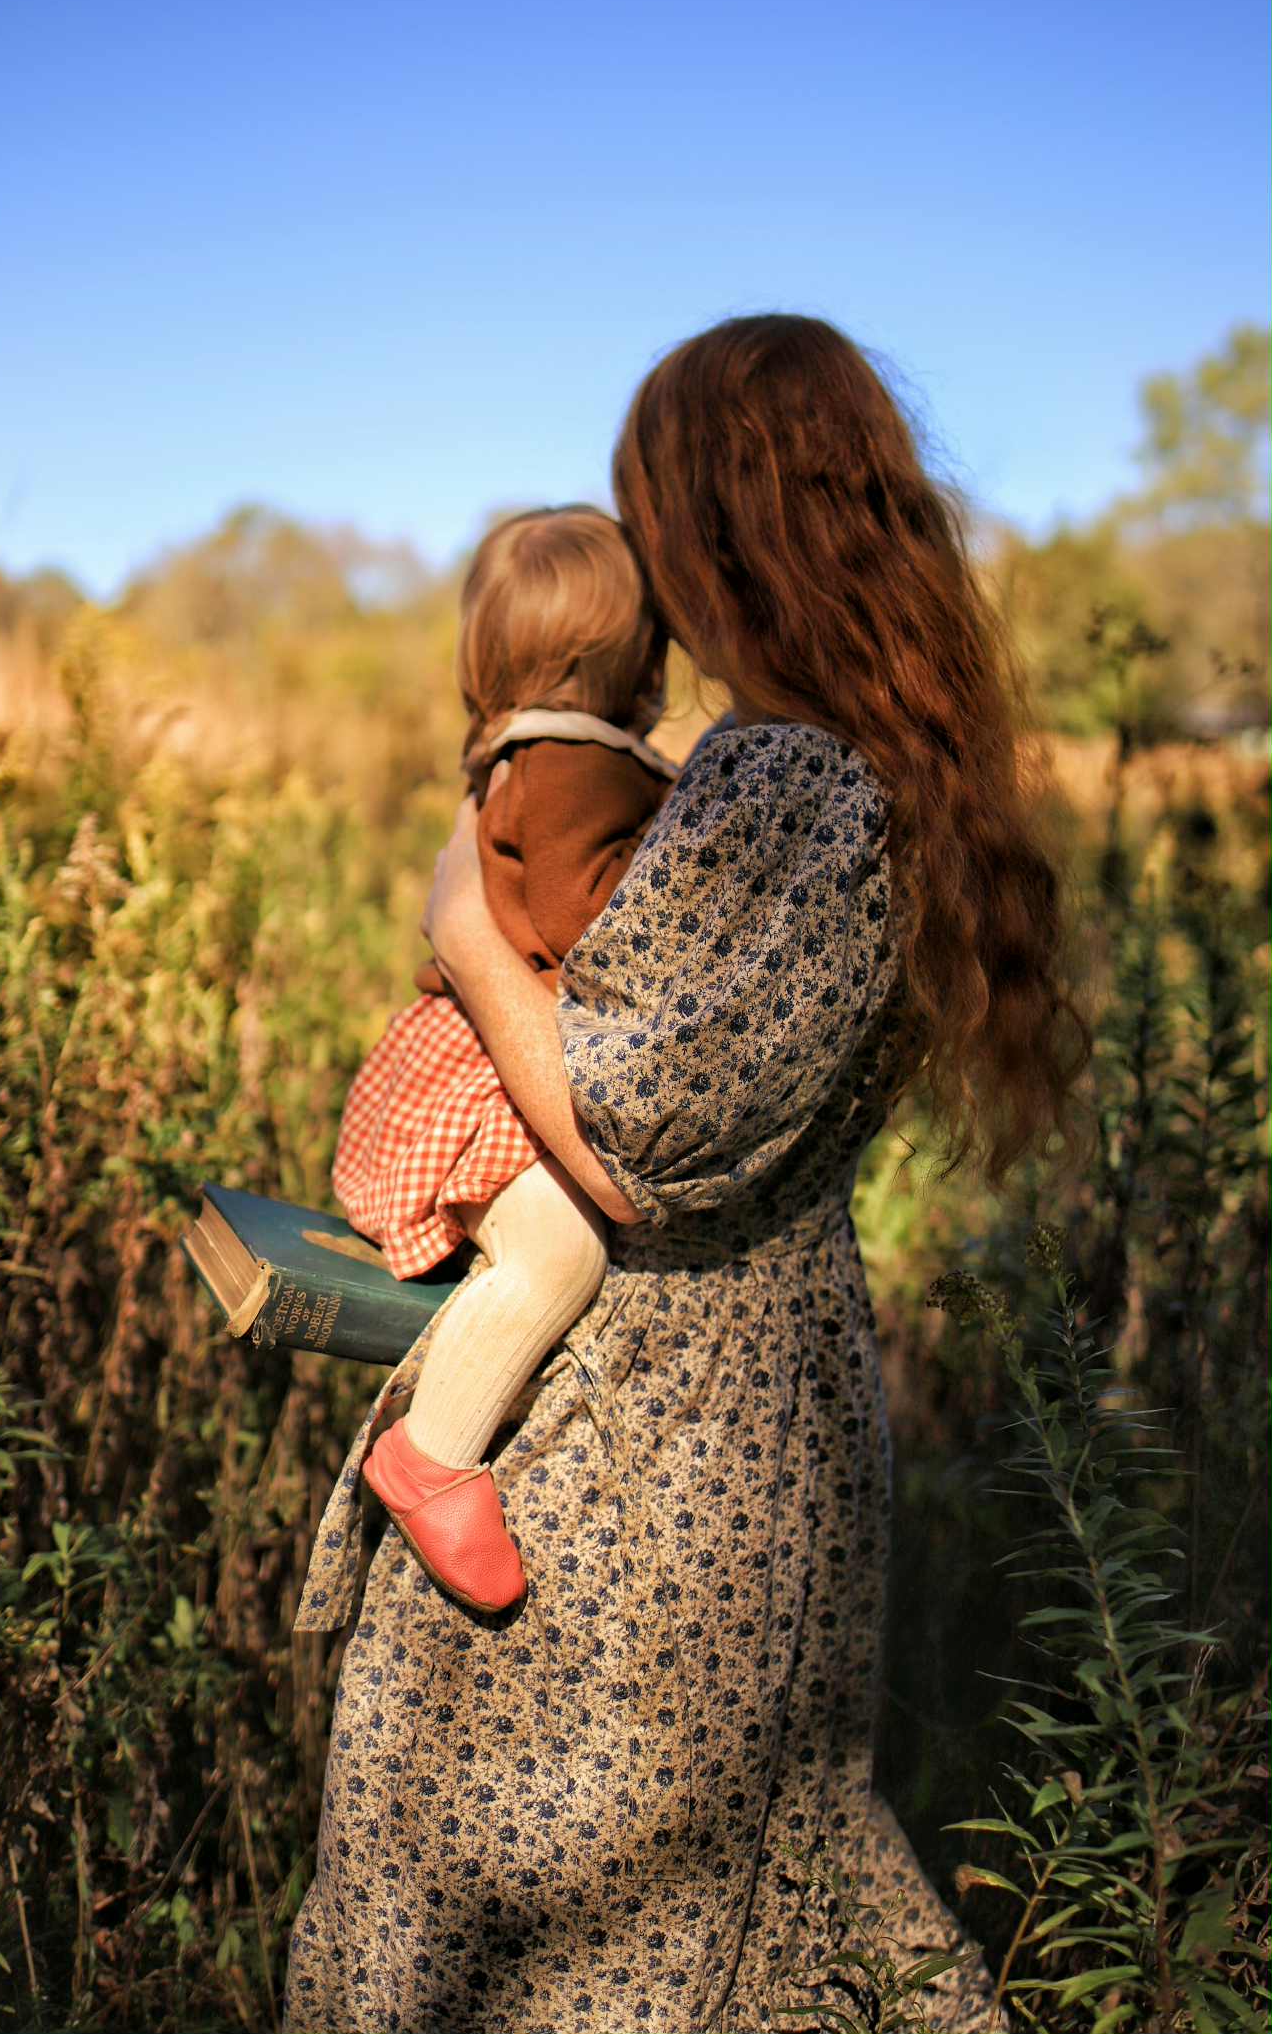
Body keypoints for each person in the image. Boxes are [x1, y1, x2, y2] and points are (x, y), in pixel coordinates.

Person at [283, 315, 1089, 2032]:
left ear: (724, 530)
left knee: (576, 1938)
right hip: (739, 1424)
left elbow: (638, 1133)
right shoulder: (870, 770)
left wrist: (461, 938)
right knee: (727, 1912)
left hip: (648, 1463)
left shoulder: (784, 775)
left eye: (655, 513)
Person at [332, 505, 676, 1613]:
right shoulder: (578, 765)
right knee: (558, 1253)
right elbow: (588, 920)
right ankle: (432, 1453)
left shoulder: (534, 754)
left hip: (484, 1057)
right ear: (632, 662)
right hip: (491, 1078)